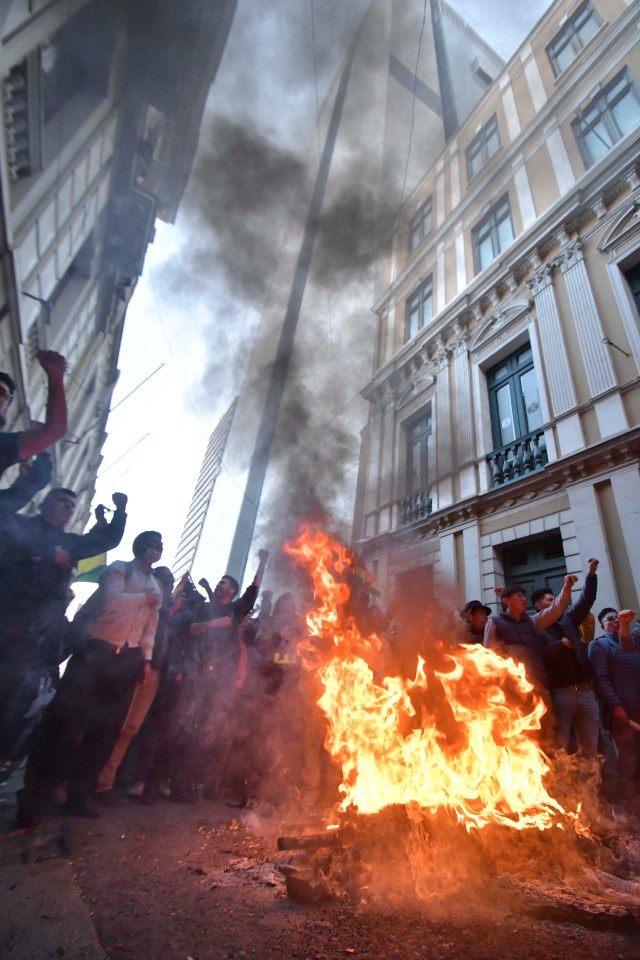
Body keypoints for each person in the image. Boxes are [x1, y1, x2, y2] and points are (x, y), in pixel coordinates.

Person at [15, 530, 163, 828]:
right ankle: (33, 797)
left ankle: (80, 795)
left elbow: (151, 627)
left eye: (159, 546)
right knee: (64, 724)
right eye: (151, 545)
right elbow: (112, 602)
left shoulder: (156, 586)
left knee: (106, 732)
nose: (155, 550)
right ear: (140, 548)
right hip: (95, 653)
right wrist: (143, 599)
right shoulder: (119, 569)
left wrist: (145, 660)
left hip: (126, 662)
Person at [0, 489, 128, 764]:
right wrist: (46, 553)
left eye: (72, 505)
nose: (68, 508)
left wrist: (119, 511)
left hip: (32, 634)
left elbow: (104, 541)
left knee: (11, 699)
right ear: (46, 502)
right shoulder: (21, 526)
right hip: (6, 617)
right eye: (63, 501)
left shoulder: (69, 543)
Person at [94, 565, 175, 799]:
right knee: (112, 723)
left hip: (155, 674)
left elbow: (162, 641)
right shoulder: (144, 602)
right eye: (164, 581)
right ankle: (86, 778)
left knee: (131, 728)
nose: (168, 585)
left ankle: (105, 782)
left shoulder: (167, 611)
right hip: (131, 666)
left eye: (170, 582)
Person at [534, 559, 600, 757]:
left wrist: (591, 574)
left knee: (591, 748)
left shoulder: (568, 619)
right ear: (538, 606)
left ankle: (590, 785)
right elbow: (540, 657)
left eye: (555, 598)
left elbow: (586, 600)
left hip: (586, 693)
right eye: (549, 600)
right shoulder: (535, 627)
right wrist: (561, 645)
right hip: (561, 694)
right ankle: (565, 785)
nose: (555, 602)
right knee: (561, 747)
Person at [483, 575, 578, 689]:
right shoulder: (493, 622)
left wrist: (567, 587)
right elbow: (489, 654)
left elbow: (556, 608)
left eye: (524, 596)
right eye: (519, 596)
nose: (524, 599)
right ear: (507, 601)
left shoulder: (533, 621)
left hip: (538, 683)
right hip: (511, 686)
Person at [589, 607, 640, 814]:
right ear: (602, 626)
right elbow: (601, 679)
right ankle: (630, 809)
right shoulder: (599, 645)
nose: (615, 621)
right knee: (628, 760)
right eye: (610, 619)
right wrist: (617, 706)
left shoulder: (633, 644)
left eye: (617, 618)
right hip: (621, 713)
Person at [0, 350, 67, 479]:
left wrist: (56, 379)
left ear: (5, 409)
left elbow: (54, 431)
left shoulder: (3, 445)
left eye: (1, 394)